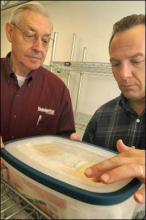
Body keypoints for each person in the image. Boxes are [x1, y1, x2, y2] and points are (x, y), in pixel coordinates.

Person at [82, 14, 145, 205]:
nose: (124, 75)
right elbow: (86, 177)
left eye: (136, 61)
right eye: (115, 64)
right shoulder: (101, 117)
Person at [1, 2, 76, 143]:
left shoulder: (58, 90)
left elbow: (65, 141)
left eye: (46, 40)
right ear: (10, 32)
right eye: (29, 35)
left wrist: (70, 148)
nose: (39, 48)